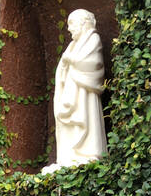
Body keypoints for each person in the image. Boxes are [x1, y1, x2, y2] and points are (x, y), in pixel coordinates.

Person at [42, 10, 107, 172]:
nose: (69, 29)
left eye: (72, 24)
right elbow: (64, 66)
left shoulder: (93, 39)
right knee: (70, 123)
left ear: (83, 23)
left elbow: (94, 64)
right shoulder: (72, 45)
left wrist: (70, 60)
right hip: (71, 91)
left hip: (86, 92)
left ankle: (90, 152)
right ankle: (70, 156)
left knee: (88, 116)